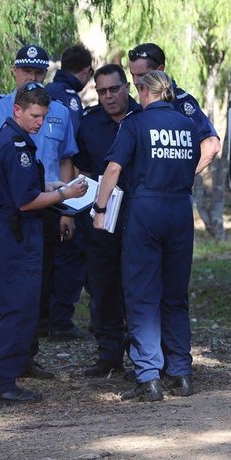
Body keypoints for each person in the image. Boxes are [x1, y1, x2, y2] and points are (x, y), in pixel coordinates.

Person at [0, 84, 89, 406]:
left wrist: (55, 184)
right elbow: (26, 201)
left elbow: (21, 183)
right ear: (18, 110)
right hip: (18, 234)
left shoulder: (5, 138)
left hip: (3, 230)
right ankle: (2, 383)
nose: (40, 123)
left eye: (43, 117)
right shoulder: (17, 144)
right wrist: (64, 195)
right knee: (18, 308)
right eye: (35, 116)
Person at [92, 70, 199, 401]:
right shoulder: (187, 125)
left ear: (142, 91)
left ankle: (149, 375)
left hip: (146, 210)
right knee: (175, 293)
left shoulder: (136, 124)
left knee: (141, 292)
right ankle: (180, 373)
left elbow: (113, 169)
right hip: (180, 210)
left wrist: (100, 208)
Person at [74, 64, 140, 377]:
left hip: (138, 215)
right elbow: (82, 169)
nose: (109, 96)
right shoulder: (88, 124)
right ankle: (108, 355)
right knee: (102, 285)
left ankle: (142, 356)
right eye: (102, 91)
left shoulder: (144, 117)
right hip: (100, 216)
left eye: (114, 89)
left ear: (127, 86)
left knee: (137, 286)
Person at [43, 43, 95, 342]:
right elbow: (70, 151)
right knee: (71, 254)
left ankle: (45, 319)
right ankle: (61, 321)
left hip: (39, 191)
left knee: (49, 258)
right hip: (63, 192)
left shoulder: (45, 92)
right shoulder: (69, 101)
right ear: (86, 71)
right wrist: (73, 203)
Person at [126, 42, 220, 174]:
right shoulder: (139, 105)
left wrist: (182, 180)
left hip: (170, 193)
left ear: (160, 70)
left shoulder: (180, 103)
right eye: (132, 75)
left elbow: (211, 145)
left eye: (142, 75)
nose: (136, 81)